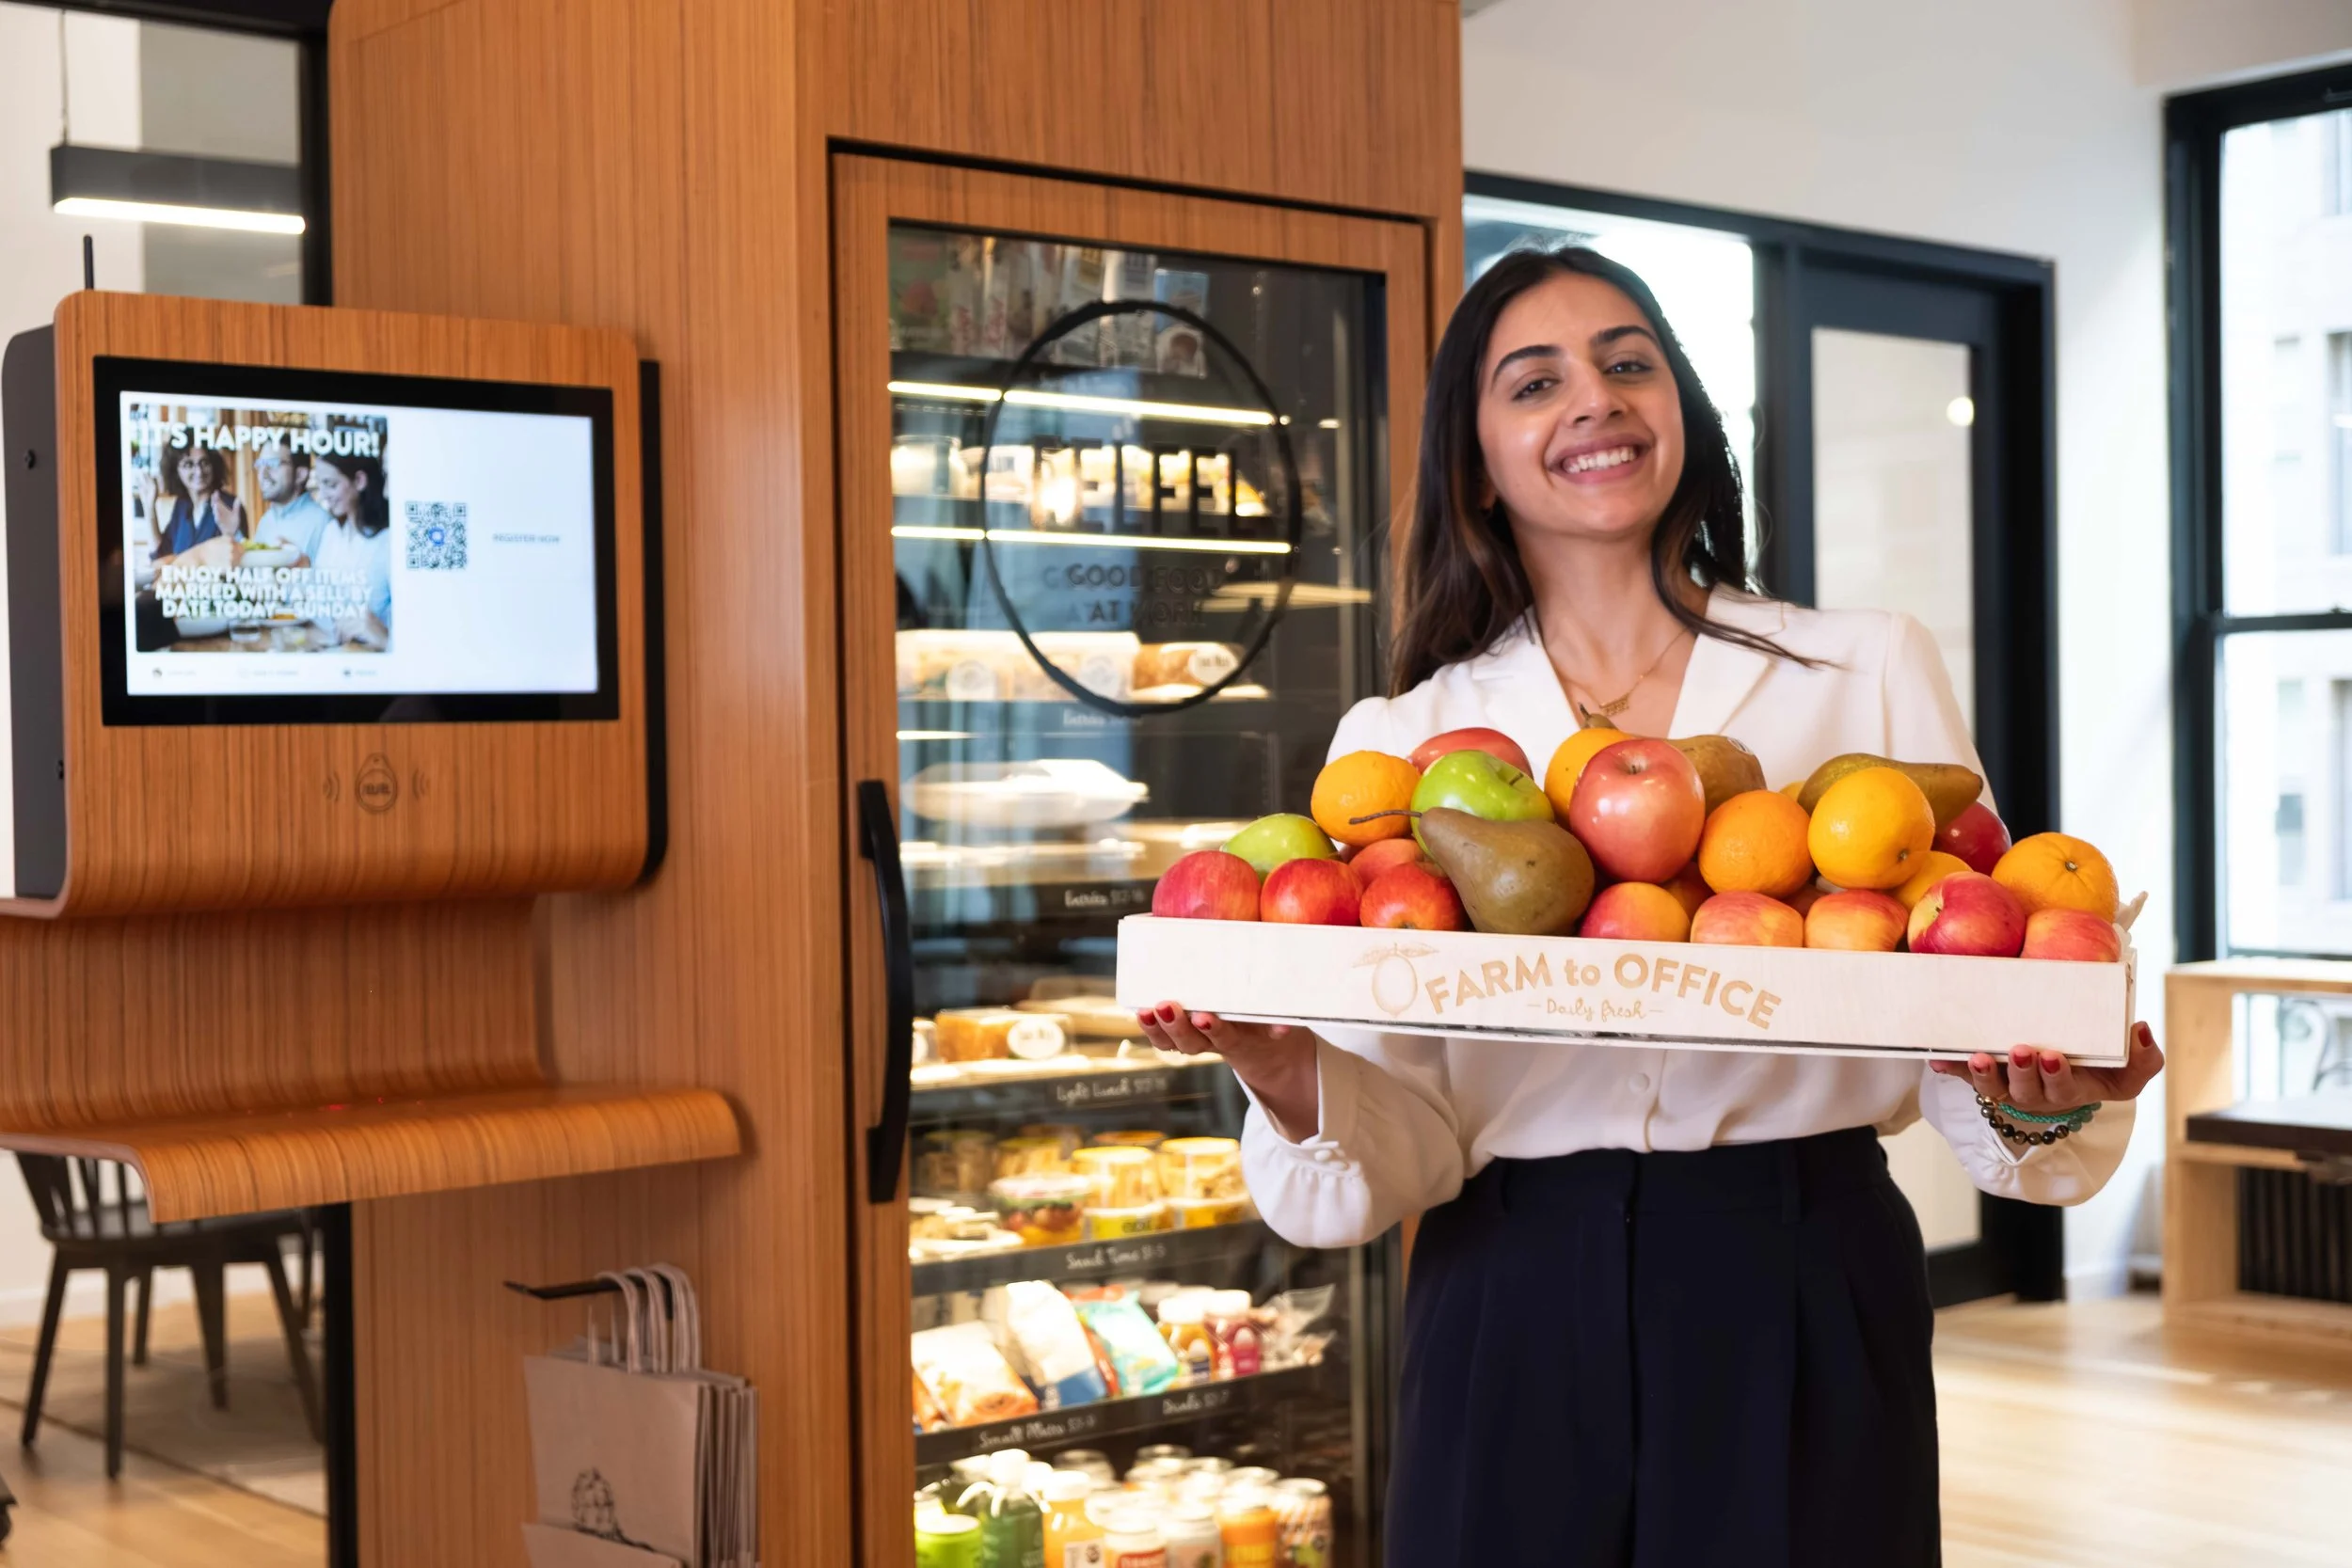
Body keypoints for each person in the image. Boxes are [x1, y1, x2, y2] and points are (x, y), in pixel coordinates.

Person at [1136, 246, 2166, 1568]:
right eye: (1536, 380)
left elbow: (1970, 1061)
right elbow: (1398, 1155)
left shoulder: (1865, 671)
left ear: (1682, 403)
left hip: (1801, 1273)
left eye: (1630, 362)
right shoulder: (1409, 743)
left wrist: (2044, 1085)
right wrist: (1284, 1072)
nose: (1596, 399)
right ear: (1477, 455)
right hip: (1507, 1288)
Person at [308, 450, 393, 650]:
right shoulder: (331, 533)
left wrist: (382, 636)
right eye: (321, 484)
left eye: (331, 484)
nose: (324, 495)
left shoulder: (388, 542)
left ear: (360, 481)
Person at [144, 445, 246, 564]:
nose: (199, 471)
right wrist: (149, 507)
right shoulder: (182, 506)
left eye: (204, 463)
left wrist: (233, 534)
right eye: (189, 465)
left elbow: (240, 557)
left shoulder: (229, 505)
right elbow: (161, 557)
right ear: (176, 471)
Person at [248, 442, 330, 562]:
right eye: (260, 465)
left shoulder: (323, 522)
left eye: (273, 464)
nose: (263, 474)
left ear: (300, 475)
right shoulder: (266, 521)